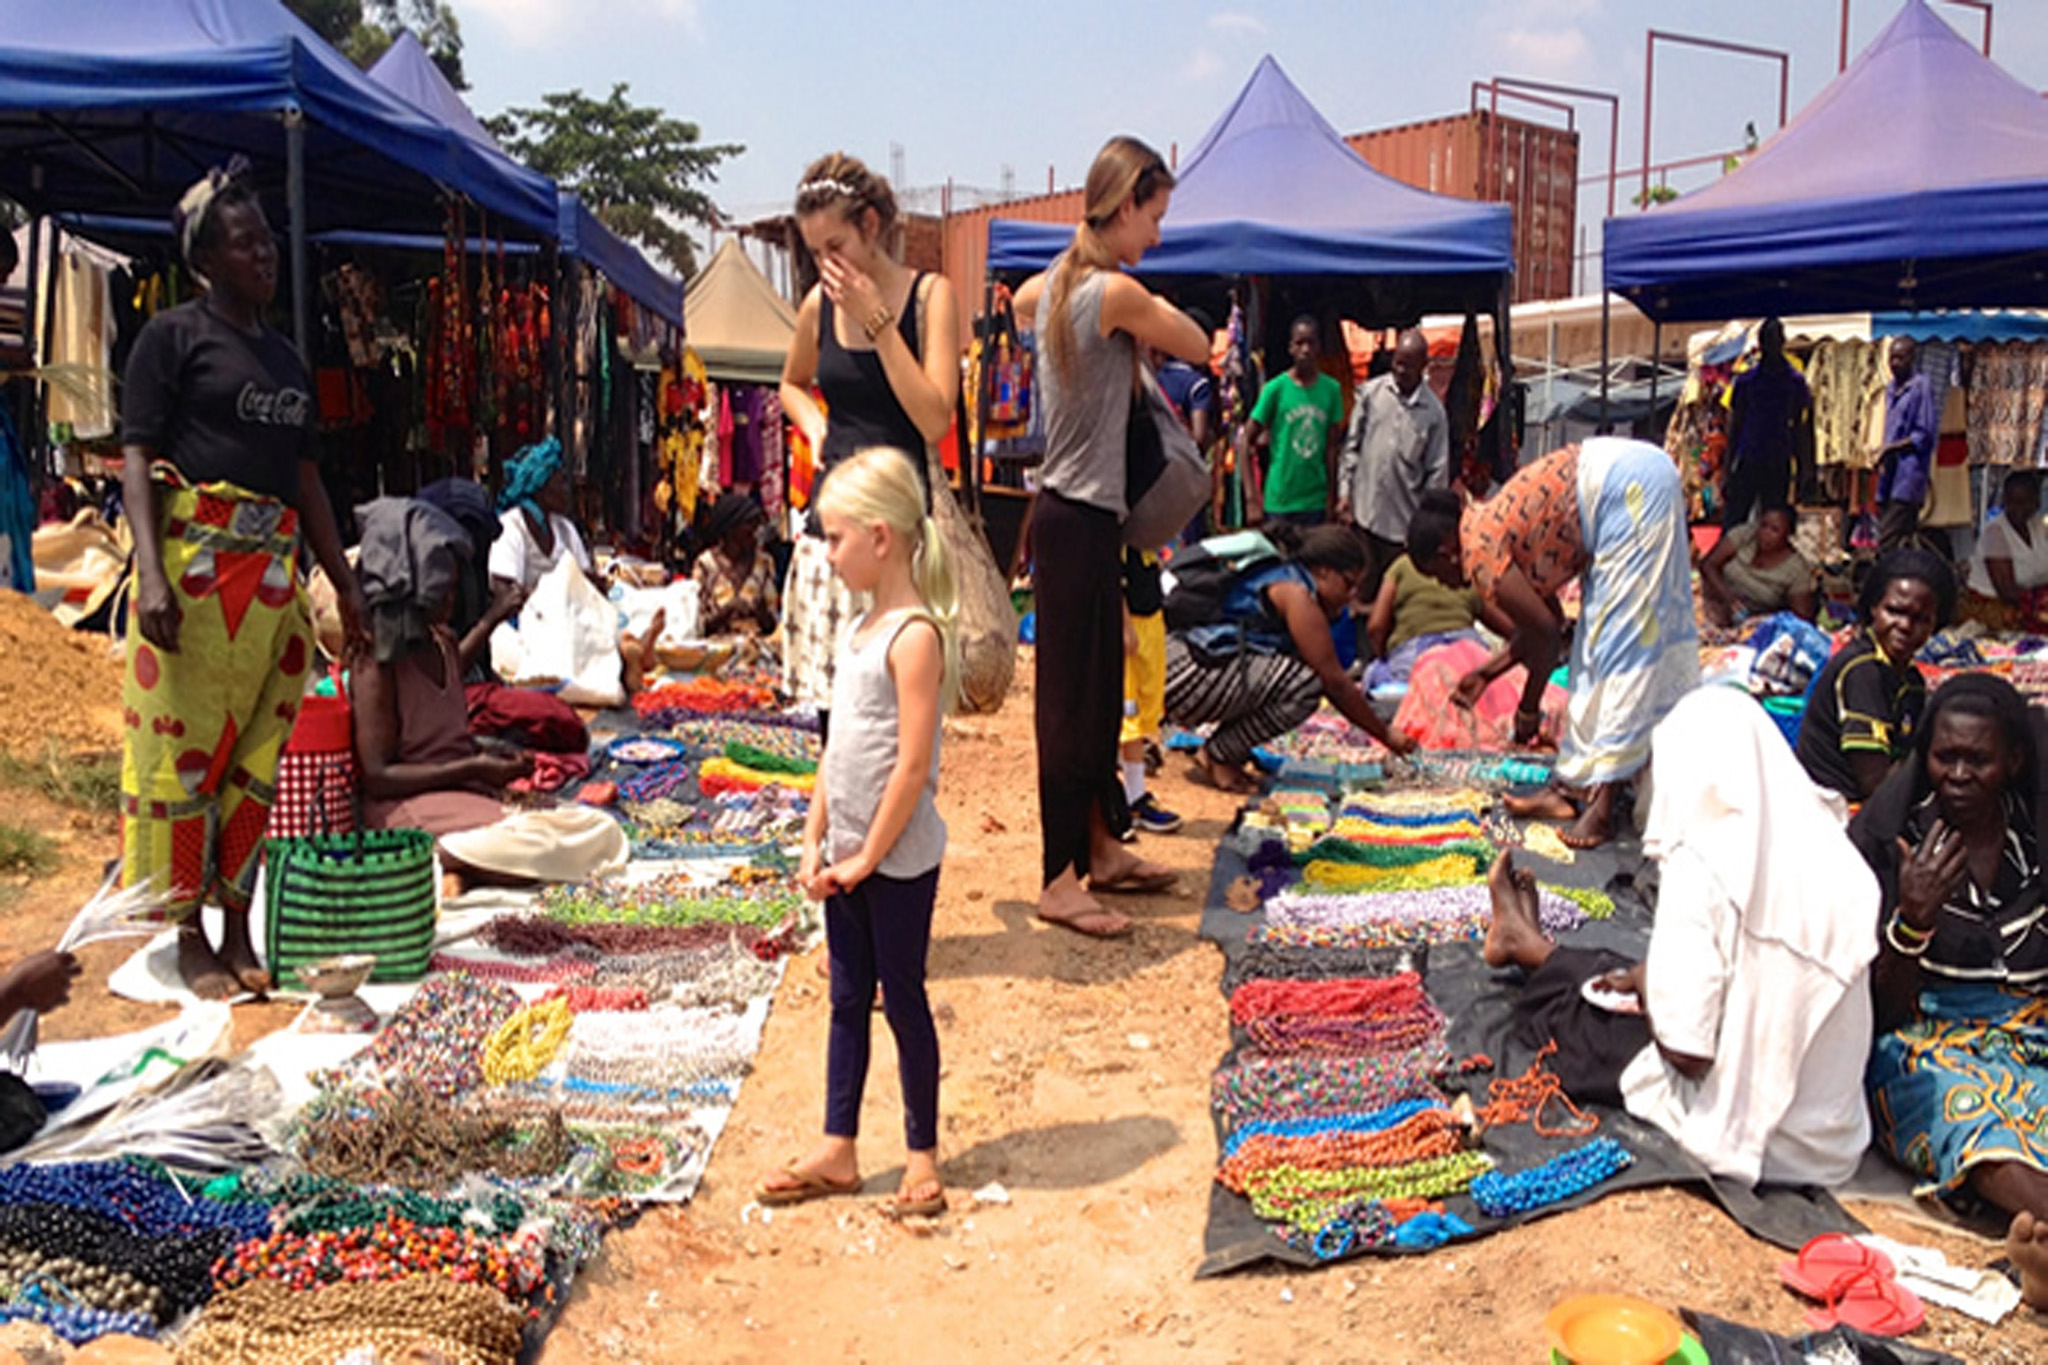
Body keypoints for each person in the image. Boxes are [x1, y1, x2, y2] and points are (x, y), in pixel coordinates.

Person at [118, 161, 368, 999]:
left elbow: (306, 481)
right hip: (192, 586)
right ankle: (187, 931)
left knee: (255, 763)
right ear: (205, 261)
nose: (265, 254)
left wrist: (346, 584)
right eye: (245, 242)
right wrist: (150, 574)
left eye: (267, 239)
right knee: (186, 764)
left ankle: (237, 925)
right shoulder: (173, 339)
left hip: (270, 589)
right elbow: (138, 457)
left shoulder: (288, 361)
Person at [1484, 687, 1879, 1188]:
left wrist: (1652, 989)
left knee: (1573, 1015)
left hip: (1752, 1139)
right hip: (1828, 1144)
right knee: (1622, 968)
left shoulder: (1706, 861)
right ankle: (1527, 943)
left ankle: (1528, 949)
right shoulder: (1841, 858)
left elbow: (1687, 1052)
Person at [1009, 136, 1210, 940]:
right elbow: (1197, 343)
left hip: (1072, 518)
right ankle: (1059, 879)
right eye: (1154, 216)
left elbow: (1024, 301)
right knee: (1069, 710)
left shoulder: (1062, 282)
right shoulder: (1113, 292)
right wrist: (1134, 324)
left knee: (1094, 704)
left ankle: (1100, 845)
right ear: (1124, 206)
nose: (1158, 234)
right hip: (1079, 519)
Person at [757, 447, 959, 1218]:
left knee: (902, 996)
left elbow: (912, 768)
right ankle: (838, 1146)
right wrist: (817, 838)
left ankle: (921, 1156)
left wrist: (867, 856)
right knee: (847, 998)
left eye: (835, 538)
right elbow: (837, 751)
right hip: (847, 857)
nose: (828, 554)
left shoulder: (915, 637)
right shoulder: (862, 632)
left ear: (882, 537)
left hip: (897, 861)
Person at [1849, 675, 2048, 1308]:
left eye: (1978, 759)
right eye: (1945, 756)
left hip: (2033, 1030)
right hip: (1925, 1034)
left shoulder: (2036, 840)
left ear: (2014, 760)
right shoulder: (1893, 842)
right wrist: (1912, 922)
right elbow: (1880, 1010)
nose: (1958, 773)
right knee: (1972, 1115)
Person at [1410, 440, 1700, 848]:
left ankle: (1601, 807)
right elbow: (1541, 626)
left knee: (1619, 654)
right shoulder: (1485, 523)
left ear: (1446, 553)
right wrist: (1487, 675)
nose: (1445, 585)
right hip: (1630, 479)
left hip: (1627, 488)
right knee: (1592, 654)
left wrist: (1528, 710)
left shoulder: (1478, 552)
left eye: (1437, 574)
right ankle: (1567, 790)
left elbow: (1546, 635)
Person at [351, 498, 626, 895]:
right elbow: (378, 777)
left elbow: (444, 718)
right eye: (441, 591)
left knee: (599, 830)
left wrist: (491, 758)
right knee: (537, 844)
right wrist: (474, 768)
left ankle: (465, 867)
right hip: (407, 809)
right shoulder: (375, 664)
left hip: (460, 796)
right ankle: (451, 861)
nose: (451, 600)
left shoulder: (441, 642)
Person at [779, 153, 960, 729]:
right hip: (829, 541)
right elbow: (790, 383)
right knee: (835, 729)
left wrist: (878, 322)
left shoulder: (931, 298)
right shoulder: (817, 307)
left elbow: (934, 419)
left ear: (871, 227)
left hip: (897, 543)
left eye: (836, 246)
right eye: (814, 252)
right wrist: (813, 424)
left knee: (899, 727)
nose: (826, 264)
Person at [1165, 526, 1416, 793]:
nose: (1351, 595)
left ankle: (1223, 751)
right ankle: (1220, 754)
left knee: (1295, 675)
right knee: (1305, 685)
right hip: (1187, 676)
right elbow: (1334, 682)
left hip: (1184, 669)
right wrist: (1386, 734)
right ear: (1323, 571)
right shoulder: (1295, 593)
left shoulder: (1286, 579)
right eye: (1348, 583)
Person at [1796, 549, 1952, 803]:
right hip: (1838, 812)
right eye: (1895, 611)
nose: (1905, 626)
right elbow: (1876, 783)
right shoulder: (1863, 670)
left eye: (1921, 619)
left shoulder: (1910, 680)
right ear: (1873, 609)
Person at [1340, 328, 1448, 600]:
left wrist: (1423, 529)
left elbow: (1437, 475)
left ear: (1423, 367)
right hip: (1365, 518)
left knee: (1395, 600)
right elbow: (1351, 448)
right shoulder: (1371, 395)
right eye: (1397, 362)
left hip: (1402, 532)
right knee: (1359, 593)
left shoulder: (1434, 414)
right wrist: (1345, 494)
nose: (1400, 370)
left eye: (1408, 366)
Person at [1243, 316, 1345, 531]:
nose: (1305, 350)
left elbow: (1332, 449)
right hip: (1279, 501)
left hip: (1315, 503)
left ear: (1319, 348)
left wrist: (1333, 497)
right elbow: (1244, 441)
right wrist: (1252, 498)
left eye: (1311, 343)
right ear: (1290, 348)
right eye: (1299, 343)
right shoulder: (1275, 389)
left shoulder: (1332, 390)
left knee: (1313, 563)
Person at [1719, 317, 1814, 528]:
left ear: (1782, 341)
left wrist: (1806, 469)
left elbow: (1802, 428)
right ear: (1761, 344)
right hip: (1749, 458)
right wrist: (1726, 470)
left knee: (1773, 523)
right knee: (1734, 522)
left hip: (1778, 460)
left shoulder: (1794, 381)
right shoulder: (1746, 381)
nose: (1770, 345)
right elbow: (1734, 427)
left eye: (1774, 339)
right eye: (1767, 340)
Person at [1119, 546, 1180, 835]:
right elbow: (1109, 577)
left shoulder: (1145, 540)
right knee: (1126, 719)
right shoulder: (1118, 535)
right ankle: (1132, 798)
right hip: (1130, 628)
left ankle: (1133, 795)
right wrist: (1123, 624)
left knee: (1144, 712)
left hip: (1151, 625)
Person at [488, 437, 596, 595]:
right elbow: (504, 591)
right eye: (561, 482)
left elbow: (585, 577)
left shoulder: (565, 529)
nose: (566, 490)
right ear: (540, 487)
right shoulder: (510, 528)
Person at [1699, 506, 1820, 627]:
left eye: (1775, 530)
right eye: (1763, 525)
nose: (1765, 533)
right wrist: (1728, 596)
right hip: (1714, 601)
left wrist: (1764, 619)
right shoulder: (1745, 536)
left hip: (1753, 621)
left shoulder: (1796, 570)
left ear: (1788, 534)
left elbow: (1801, 618)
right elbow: (1708, 564)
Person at [1961, 470, 2048, 632]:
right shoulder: (1994, 533)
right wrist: (2039, 603)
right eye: (2013, 502)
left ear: (2036, 503)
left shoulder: (2039, 527)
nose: (2018, 509)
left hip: (2034, 601)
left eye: (2025, 502)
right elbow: (2006, 590)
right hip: (1996, 604)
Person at [1876, 336, 1938, 553]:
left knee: (1887, 540)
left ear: (1912, 358)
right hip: (1888, 477)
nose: (1894, 364)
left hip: (1908, 477)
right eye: (1891, 358)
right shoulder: (1891, 388)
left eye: (1900, 358)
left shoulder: (1921, 387)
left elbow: (1924, 434)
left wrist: (1890, 449)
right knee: (1900, 539)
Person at [692, 491, 779, 637]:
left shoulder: (764, 563)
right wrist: (727, 611)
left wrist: (761, 612)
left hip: (755, 648)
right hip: (717, 652)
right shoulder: (705, 564)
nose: (754, 533)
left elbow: (773, 627)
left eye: (756, 526)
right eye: (749, 526)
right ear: (730, 530)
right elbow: (697, 625)